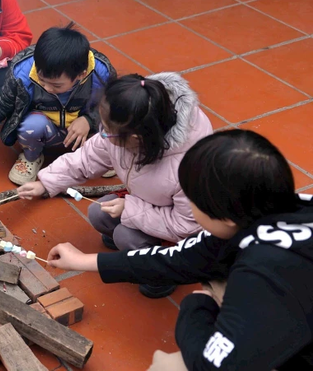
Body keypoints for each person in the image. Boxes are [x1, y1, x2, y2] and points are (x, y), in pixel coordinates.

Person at [49, 130, 313, 371]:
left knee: (166, 367)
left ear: (225, 216)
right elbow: (174, 259)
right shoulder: (268, 209)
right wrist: (82, 261)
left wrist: (197, 305)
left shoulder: (261, 274)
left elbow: (211, 365)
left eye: (191, 199)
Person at [18, 73, 212, 298]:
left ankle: (160, 276)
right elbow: (86, 158)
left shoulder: (188, 167)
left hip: (180, 226)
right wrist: (46, 183)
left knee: (125, 236)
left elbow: (186, 225)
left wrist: (129, 209)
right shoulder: (127, 122)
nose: (102, 133)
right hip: (144, 199)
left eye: (108, 130)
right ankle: (128, 241)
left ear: (136, 139)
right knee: (98, 214)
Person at [0, 24, 115, 185]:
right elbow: (2, 100)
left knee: (111, 122)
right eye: (42, 80)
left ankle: (97, 154)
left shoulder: (101, 73)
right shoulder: (23, 73)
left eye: (56, 85)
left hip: (85, 129)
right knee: (31, 126)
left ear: (81, 75)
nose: (47, 88)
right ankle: (32, 157)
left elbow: (112, 105)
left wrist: (89, 120)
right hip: (47, 127)